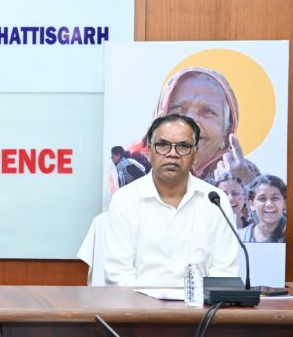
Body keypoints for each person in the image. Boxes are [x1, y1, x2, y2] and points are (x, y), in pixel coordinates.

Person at [104, 114, 238, 287]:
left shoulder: (215, 201)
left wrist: (197, 301)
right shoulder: (125, 200)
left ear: (195, 154)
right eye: (163, 145)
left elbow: (224, 272)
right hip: (139, 303)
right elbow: (118, 274)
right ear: (149, 151)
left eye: (183, 146)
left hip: (200, 304)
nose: (172, 154)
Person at [239, 174, 286, 243]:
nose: (269, 204)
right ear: (252, 204)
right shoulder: (240, 237)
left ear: (284, 203)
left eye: (275, 198)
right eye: (262, 198)